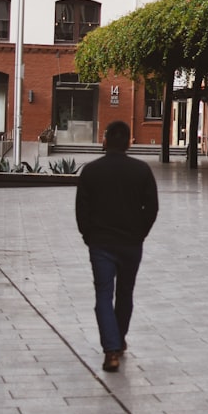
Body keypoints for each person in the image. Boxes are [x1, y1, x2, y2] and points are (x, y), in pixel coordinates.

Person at [75, 120, 159, 372]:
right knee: (125, 293)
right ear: (128, 142)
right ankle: (118, 339)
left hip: (101, 244)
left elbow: (82, 210)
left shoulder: (91, 171)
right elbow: (152, 208)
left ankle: (111, 350)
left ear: (106, 140)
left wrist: (88, 235)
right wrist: (140, 233)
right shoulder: (141, 170)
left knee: (103, 294)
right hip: (131, 243)